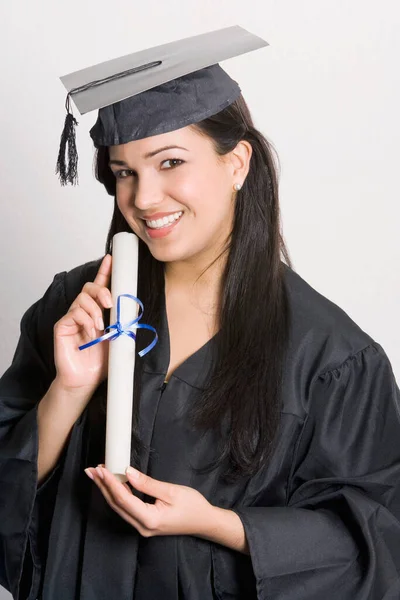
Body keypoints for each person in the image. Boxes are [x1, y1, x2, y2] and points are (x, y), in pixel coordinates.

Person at [1, 25, 400, 600]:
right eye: (124, 172)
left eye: (169, 162)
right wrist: (68, 390)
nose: (143, 198)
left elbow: (376, 542)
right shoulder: (77, 307)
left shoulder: (331, 356)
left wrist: (220, 525)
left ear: (236, 163)